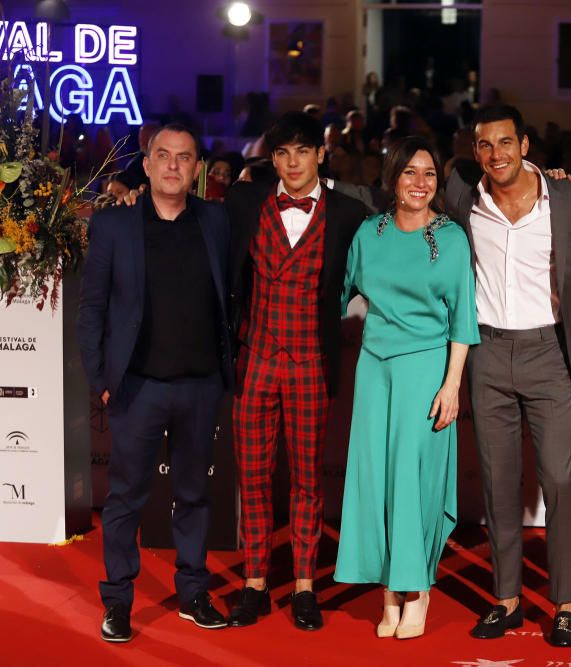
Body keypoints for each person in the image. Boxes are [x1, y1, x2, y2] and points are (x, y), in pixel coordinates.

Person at [445, 104, 571, 647]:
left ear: (526, 144)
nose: (495, 155)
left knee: (559, 481)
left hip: (550, 352)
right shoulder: (464, 196)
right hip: (487, 352)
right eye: (485, 146)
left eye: (505, 143)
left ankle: (563, 605)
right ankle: (506, 599)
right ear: (474, 152)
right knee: (498, 483)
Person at [78, 124, 232, 642]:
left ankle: (193, 591)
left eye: (183, 157)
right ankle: (118, 600)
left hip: (201, 385)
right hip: (136, 387)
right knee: (125, 499)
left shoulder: (216, 221)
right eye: (162, 156)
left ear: (197, 169)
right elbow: (92, 308)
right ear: (145, 165)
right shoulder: (114, 227)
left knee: (194, 495)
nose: (172, 166)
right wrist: (100, 379)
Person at [225, 111, 369, 631]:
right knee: (254, 478)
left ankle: (305, 585)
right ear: (271, 158)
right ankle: (256, 583)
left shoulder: (350, 212)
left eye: (302, 152)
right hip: (255, 358)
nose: (292, 163)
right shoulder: (245, 201)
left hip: (311, 360)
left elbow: (409, 212)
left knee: (308, 481)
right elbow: (193, 207)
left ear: (320, 155)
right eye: (282, 153)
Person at [334, 137, 479, 640]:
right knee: (377, 481)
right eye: (410, 173)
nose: (420, 183)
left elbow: (463, 319)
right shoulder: (368, 233)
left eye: (430, 175)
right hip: (374, 370)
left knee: (414, 483)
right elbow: (337, 291)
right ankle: (388, 594)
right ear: (392, 178)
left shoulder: (452, 238)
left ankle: (418, 591)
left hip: (426, 370)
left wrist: (452, 385)